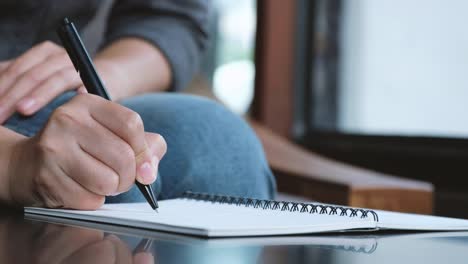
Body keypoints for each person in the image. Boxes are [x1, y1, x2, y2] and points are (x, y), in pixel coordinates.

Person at [0, 0, 275, 209]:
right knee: (104, 182)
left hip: (55, 89)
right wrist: (12, 163)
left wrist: (100, 78)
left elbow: (169, 16)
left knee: (219, 145)